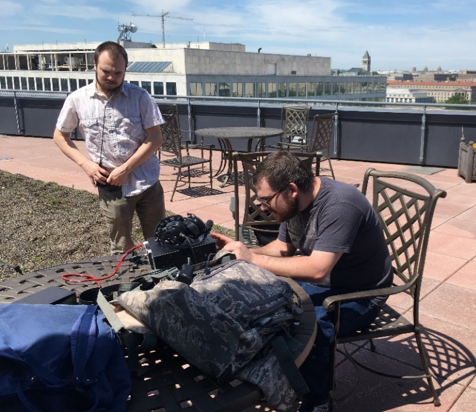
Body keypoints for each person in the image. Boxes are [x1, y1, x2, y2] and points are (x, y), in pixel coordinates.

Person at [211, 151, 393, 412]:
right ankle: (280, 377)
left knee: (309, 323)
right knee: (261, 304)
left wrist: (251, 259)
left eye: (266, 200)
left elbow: (318, 270)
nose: (262, 208)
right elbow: (283, 248)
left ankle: (317, 401)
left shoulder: (340, 204)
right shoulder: (294, 204)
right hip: (327, 281)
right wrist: (241, 250)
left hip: (361, 293)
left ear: (291, 189)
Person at [53, 41, 166, 254]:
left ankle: (163, 284)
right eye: (106, 71)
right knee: (121, 248)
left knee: (160, 241)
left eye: (118, 72)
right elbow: (60, 136)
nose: (112, 77)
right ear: (94, 65)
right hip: (110, 185)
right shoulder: (77, 99)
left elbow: (155, 138)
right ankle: (128, 284)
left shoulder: (140, 97)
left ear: (125, 70)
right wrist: (86, 164)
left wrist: (125, 169)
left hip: (147, 181)